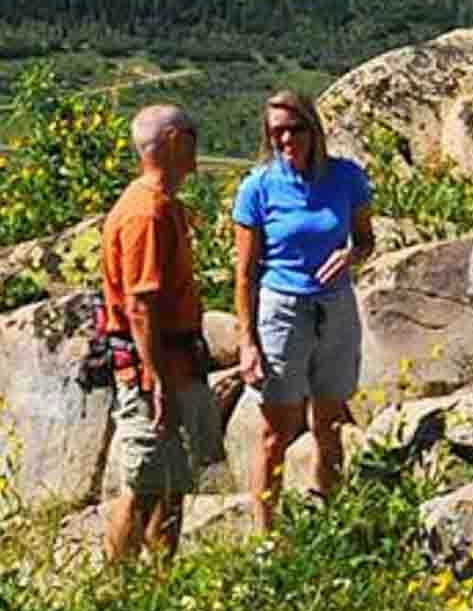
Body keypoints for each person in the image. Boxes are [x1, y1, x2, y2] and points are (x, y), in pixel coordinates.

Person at [230, 87, 374, 533]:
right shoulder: (258, 188)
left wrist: (351, 256)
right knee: (276, 431)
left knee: (329, 423)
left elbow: (366, 240)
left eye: (295, 129)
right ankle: (265, 534)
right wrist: (247, 342)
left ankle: (326, 515)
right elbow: (244, 273)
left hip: (335, 306)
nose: (287, 140)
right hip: (283, 309)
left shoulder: (347, 178)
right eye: (277, 133)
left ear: (314, 130)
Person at [100, 102, 219, 565]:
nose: (196, 143)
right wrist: (157, 380)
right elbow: (140, 304)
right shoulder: (144, 215)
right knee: (146, 484)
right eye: (191, 134)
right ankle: (119, 585)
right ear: (172, 142)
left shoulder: (162, 206)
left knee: (171, 482)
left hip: (175, 362)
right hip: (157, 369)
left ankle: (160, 581)